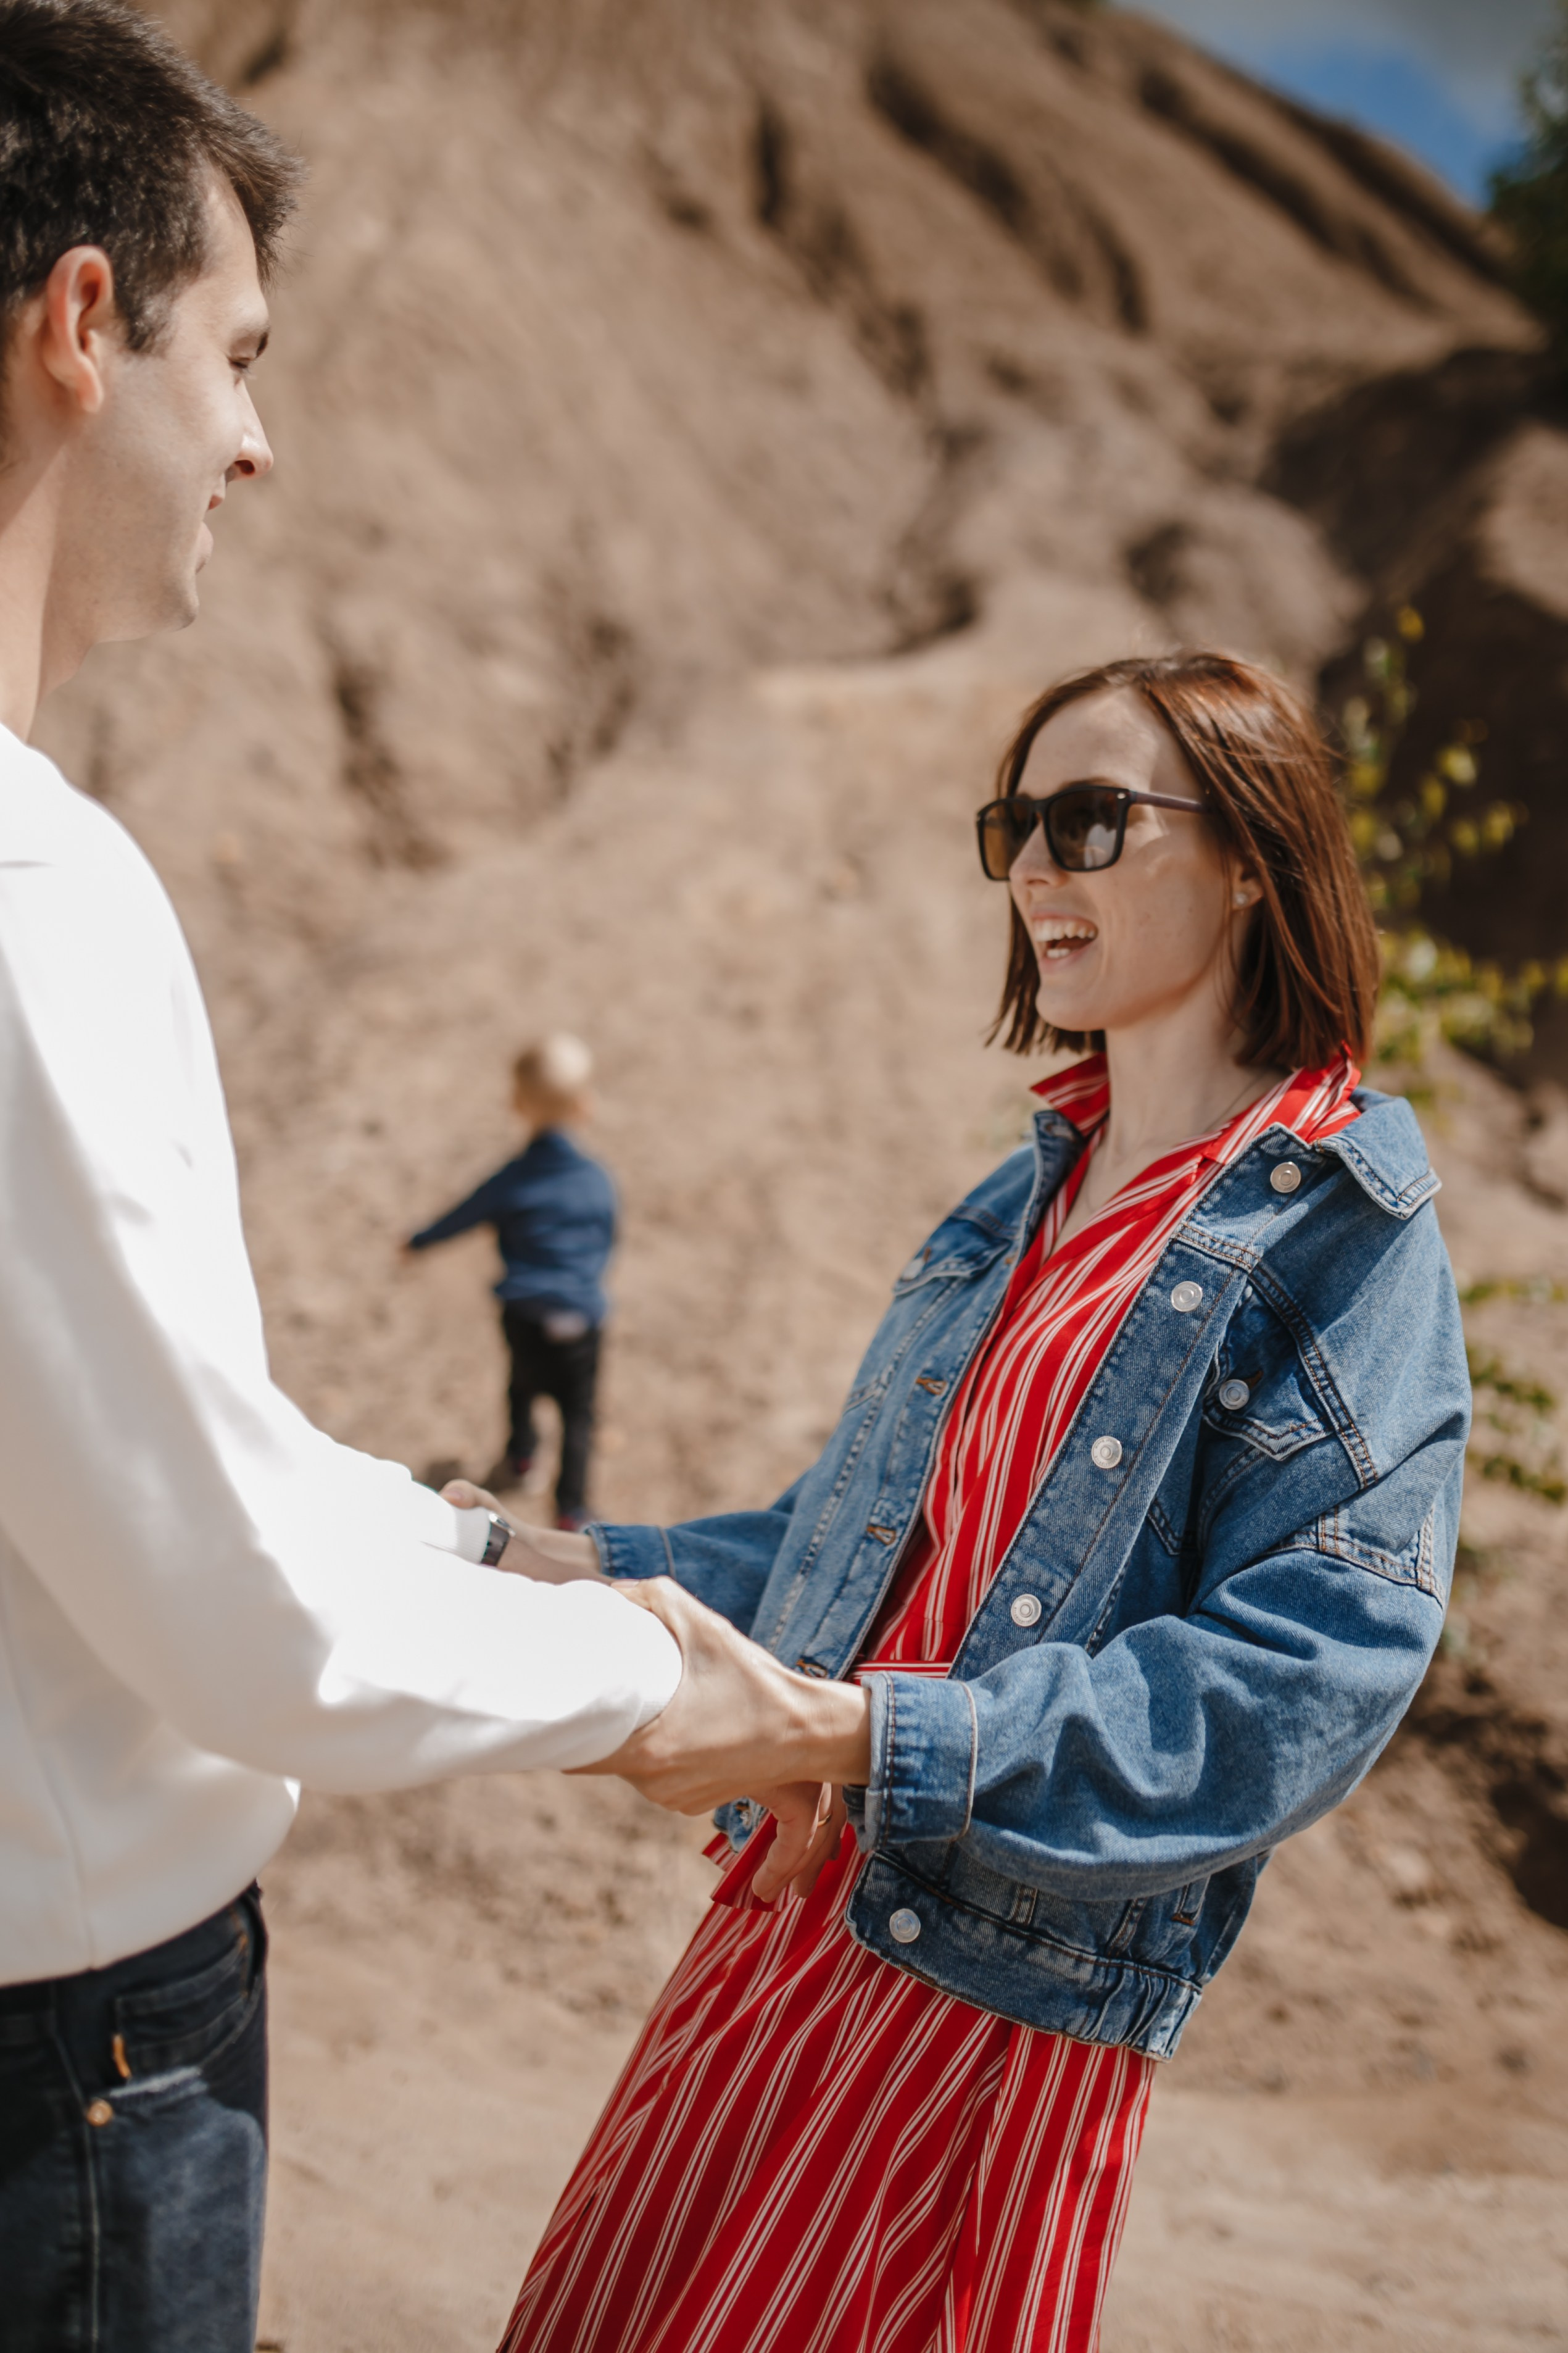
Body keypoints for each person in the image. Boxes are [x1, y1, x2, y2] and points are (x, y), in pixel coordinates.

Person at [0, 10, 833, 2347]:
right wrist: (651, 1676)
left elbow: (127, 1444)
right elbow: (245, 1621)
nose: (260, 440)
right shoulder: (28, 890)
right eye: (237, 355)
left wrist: (494, 1545)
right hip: (69, 2061)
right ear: (82, 325)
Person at [489, 652, 1471, 2353]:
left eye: (1087, 821)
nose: (1032, 873)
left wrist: (867, 1737)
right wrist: (564, 1560)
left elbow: (1303, 1682)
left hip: (987, 1999)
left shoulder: (1344, 1225)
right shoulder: (1024, 1189)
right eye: (1012, 827)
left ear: (1250, 852)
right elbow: (875, 1552)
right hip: (788, 1924)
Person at [406, 1035, 615, 1529]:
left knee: (521, 1385)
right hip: (581, 1319)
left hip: (523, 1312)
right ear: (586, 1106)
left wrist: (418, 1242)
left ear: (517, 1104)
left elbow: (466, 1213)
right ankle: (571, 1509)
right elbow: (608, 1235)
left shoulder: (514, 1178)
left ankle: (522, 1457)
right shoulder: (597, 1181)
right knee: (578, 1416)